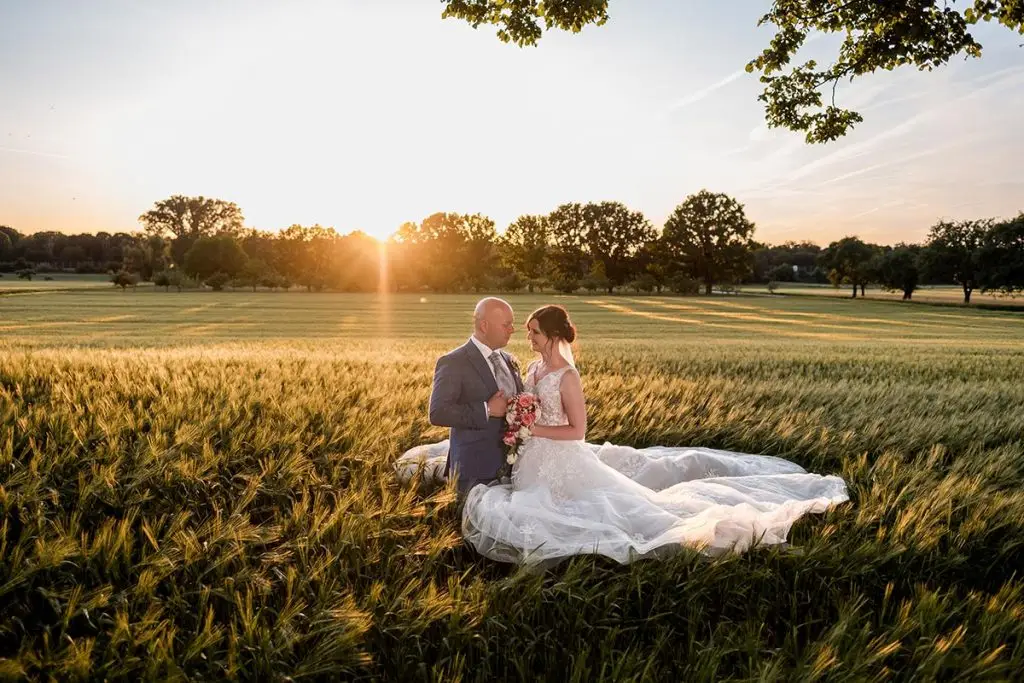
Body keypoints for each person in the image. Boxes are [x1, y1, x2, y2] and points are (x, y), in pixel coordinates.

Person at [403, 303, 849, 566]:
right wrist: (507, 417)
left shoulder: (563, 375)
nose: (523, 335)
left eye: (531, 331)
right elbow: (444, 410)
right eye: (514, 327)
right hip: (526, 455)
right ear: (485, 324)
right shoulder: (524, 365)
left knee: (606, 510)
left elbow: (577, 429)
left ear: (552, 335)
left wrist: (526, 424)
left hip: (552, 452)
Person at [427, 297, 524, 497]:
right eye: (506, 324)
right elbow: (438, 413)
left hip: (514, 468)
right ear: (484, 325)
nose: (512, 329)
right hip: (474, 469)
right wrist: (487, 409)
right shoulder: (453, 362)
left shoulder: (508, 359)